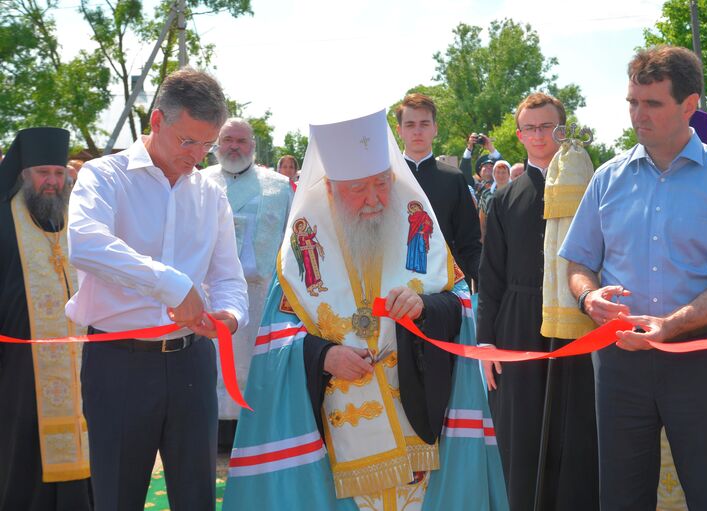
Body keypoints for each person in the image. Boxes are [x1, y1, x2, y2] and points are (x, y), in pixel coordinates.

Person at [223, 109, 507, 511]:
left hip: (418, 420)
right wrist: (324, 356)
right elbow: (277, 341)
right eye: (359, 188)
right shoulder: (304, 243)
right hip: (337, 432)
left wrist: (424, 307)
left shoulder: (415, 219)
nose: (375, 199)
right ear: (331, 186)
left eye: (382, 183)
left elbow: (459, 298)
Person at [559, 45, 707, 511]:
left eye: (652, 103)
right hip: (620, 367)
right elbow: (577, 264)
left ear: (689, 106)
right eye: (633, 101)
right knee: (620, 498)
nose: (638, 114)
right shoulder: (607, 178)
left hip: (703, 362)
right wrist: (589, 299)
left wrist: (668, 328)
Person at [66, 68, 249, 510]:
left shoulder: (210, 194)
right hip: (118, 362)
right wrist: (172, 285)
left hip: (192, 362)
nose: (197, 156)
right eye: (188, 141)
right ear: (156, 122)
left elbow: (228, 275)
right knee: (117, 495)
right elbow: (85, 243)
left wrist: (229, 314)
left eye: (206, 145)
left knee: (196, 496)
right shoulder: (104, 176)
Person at [478, 91, 599, 510]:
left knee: (578, 430)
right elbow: (489, 276)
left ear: (562, 128)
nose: (538, 135)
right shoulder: (505, 198)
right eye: (529, 128)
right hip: (517, 323)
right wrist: (485, 342)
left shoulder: (591, 186)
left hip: (577, 321)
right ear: (518, 135)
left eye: (547, 126)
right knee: (522, 434)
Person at [0, 127, 92, 510]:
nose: (53, 182)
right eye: (43, 173)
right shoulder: (5, 220)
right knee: (22, 444)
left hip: (83, 359)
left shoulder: (82, 218)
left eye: (58, 172)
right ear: (24, 174)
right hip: (19, 363)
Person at [204, 118, 293, 449]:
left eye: (241, 141)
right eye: (227, 139)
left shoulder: (279, 187)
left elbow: (290, 241)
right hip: (212, 294)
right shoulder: (197, 182)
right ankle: (216, 434)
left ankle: (256, 432)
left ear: (253, 147)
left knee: (255, 363)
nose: (234, 147)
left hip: (261, 296)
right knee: (213, 363)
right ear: (216, 144)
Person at [396, 93, 482, 285]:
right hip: (395, 286)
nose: (417, 131)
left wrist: (489, 283)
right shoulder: (386, 179)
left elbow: (468, 243)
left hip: (445, 287)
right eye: (410, 125)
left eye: (424, 124)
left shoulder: (454, 178)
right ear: (399, 130)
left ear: (435, 129)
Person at [478, 160, 511, 241]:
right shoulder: (486, 194)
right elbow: (482, 219)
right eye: (498, 172)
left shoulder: (515, 192)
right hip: (492, 237)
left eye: (503, 172)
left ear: (509, 174)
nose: (500, 175)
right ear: (494, 174)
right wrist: (482, 238)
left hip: (511, 236)